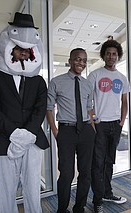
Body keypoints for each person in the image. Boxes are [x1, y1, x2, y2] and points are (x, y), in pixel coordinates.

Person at [0, 12, 49, 212]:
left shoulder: (38, 81)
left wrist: (27, 134)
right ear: (10, 47)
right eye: (19, 48)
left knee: (32, 188)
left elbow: (40, 109)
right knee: (6, 189)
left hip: (33, 140)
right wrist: (14, 134)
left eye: (27, 50)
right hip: (5, 140)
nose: (23, 53)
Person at [46, 48, 96, 213]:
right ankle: (62, 209)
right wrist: (55, 132)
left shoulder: (88, 84)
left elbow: (89, 109)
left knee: (86, 173)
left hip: (86, 131)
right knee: (66, 174)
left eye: (83, 60)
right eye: (77, 59)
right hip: (66, 132)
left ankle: (79, 208)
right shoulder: (56, 81)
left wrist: (92, 129)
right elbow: (48, 108)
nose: (80, 63)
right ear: (70, 60)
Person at [87, 39, 130, 213]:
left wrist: (122, 120)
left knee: (109, 162)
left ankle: (107, 192)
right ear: (103, 56)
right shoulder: (95, 75)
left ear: (118, 56)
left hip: (116, 125)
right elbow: (86, 100)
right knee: (98, 163)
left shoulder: (122, 78)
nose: (111, 56)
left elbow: (124, 101)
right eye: (108, 54)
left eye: (114, 54)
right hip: (100, 124)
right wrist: (92, 118)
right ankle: (97, 200)